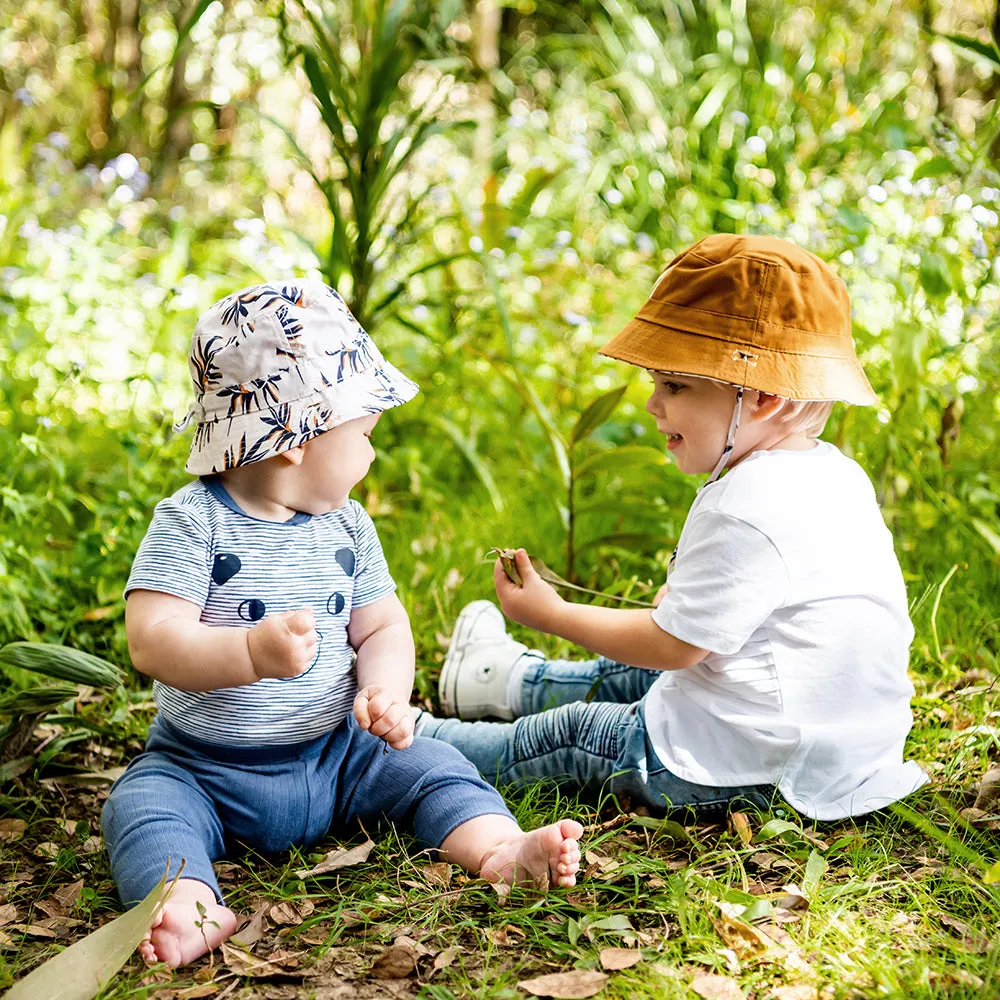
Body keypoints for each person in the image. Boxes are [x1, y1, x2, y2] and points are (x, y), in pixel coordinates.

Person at [102, 280, 582, 969]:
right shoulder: (191, 521)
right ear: (297, 438)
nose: (372, 454)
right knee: (142, 807)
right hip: (204, 766)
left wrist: (386, 691)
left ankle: (497, 847)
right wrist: (247, 654)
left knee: (432, 765)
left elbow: (383, 626)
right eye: (363, 436)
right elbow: (151, 639)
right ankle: (185, 907)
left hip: (338, 753)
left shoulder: (347, 526)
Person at [417, 234, 928, 823]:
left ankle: (421, 745)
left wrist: (551, 614)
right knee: (634, 672)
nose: (652, 404)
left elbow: (677, 648)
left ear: (761, 397)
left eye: (676, 386)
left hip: (759, 761)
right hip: (845, 746)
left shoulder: (746, 504)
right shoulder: (832, 474)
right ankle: (506, 680)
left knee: (578, 733)